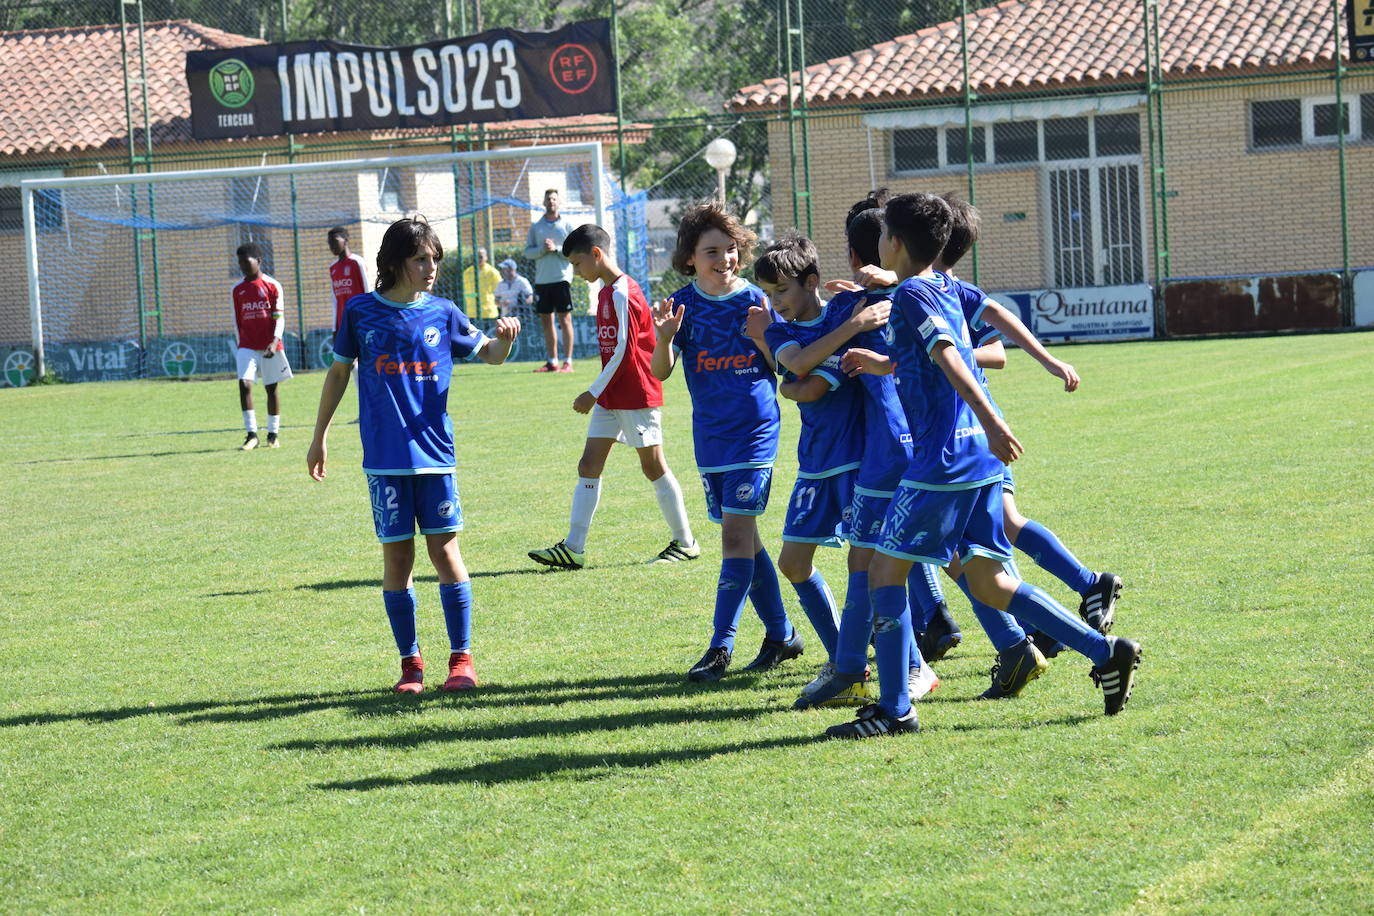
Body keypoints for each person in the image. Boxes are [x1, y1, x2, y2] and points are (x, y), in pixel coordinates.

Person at [826, 192, 1141, 738]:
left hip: (941, 463)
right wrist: (884, 362)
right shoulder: (943, 287)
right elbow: (978, 323)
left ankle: (895, 709)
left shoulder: (912, 297)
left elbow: (948, 353)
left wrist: (991, 418)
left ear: (893, 242)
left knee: (884, 571)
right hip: (977, 459)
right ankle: (1105, 651)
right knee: (990, 582)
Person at [306, 217, 520, 694]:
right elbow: (339, 374)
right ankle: (410, 666)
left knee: (445, 551)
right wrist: (319, 435)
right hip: (384, 459)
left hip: (435, 457)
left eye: (435, 259)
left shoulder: (443, 312)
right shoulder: (361, 312)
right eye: (421, 259)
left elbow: (489, 353)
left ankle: (461, 662)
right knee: (397, 561)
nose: (431, 268)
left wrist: (504, 341)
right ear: (396, 262)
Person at [650, 202, 799, 683]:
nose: (725, 259)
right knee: (746, 539)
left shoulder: (758, 299)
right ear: (690, 257)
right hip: (710, 438)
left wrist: (763, 339)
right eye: (712, 251)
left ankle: (721, 645)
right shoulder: (682, 305)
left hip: (755, 431)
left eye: (731, 249)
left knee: (734, 536)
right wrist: (663, 337)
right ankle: (782, 635)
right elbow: (661, 373)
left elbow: (784, 365)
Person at [745, 234, 872, 708]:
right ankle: (847, 660)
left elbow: (808, 389)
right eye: (770, 294)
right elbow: (796, 369)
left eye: (782, 291)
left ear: (811, 281)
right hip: (815, 464)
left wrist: (848, 325)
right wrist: (848, 331)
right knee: (793, 562)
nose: (776, 303)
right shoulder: (782, 331)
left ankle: (905, 660)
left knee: (879, 568)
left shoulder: (843, 312)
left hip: (860, 463)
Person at [527, 224, 699, 570]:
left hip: (635, 393)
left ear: (596, 255)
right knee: (589, 465)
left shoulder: (623, 292)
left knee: (653, 467)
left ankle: (686, 542)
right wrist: (601, 393)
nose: (576, 273)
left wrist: (592, 392)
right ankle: (573, 547)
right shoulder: (606, 292)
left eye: (577, 264)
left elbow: (623, 350)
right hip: (612, 394)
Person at [232, 242, 292, 451]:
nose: (242, 267)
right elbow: (237, 321)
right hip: (247, 345)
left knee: (271, 388)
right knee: (244, 384)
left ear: (258, 261)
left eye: (246, 262)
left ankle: (273, 435)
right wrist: (241, 344)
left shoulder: (273, 286)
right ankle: (251, 435)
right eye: (239, 263)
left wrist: (275, 341)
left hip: (270, 345)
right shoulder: (237, 289)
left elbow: (279, 317)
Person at [524, 189, 576, 373]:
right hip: (542, 281)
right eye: (548, 199)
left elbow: (574, 252)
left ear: (559, 201)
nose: (551, 202)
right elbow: (527, 252)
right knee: (547, 321)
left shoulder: (567, 224)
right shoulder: (536, 226)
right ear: (544, 202)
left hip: (561, 279)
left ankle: (568, 361)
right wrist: (542, 250)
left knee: (565, 320)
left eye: (554, 198)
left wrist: (555, 249)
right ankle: (552, 361)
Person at [327, 226, 369, 332]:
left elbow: (367, 291)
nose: (331, 246)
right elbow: (335, 300)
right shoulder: (333, 268)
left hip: (360, 320)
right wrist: (334, 328)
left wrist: (369, 318)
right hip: (343, 323)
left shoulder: (357, 262)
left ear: (345, 241)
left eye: (334, 241)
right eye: (329, 242)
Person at [462, 247, 502, 322]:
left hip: (488, 313)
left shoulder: (493, 272)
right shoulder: (466, 272)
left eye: (480, 257)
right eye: (475, 257)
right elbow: (465, 291)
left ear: (486, 258)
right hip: (471, 313)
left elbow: (500, 290)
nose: (477, 259)